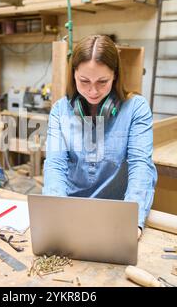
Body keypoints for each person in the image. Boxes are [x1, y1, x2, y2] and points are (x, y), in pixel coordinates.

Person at [42, 35, 157, 239]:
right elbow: (55, 165)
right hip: (71, 212)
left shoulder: (136, 109)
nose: (93, 91)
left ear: (115, 76)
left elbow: (141, 166)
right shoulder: (60, 110)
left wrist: (133, 221)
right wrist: (55, 214)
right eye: (84, 81)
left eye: (102, 81)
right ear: (73, 75)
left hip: (115, 216)